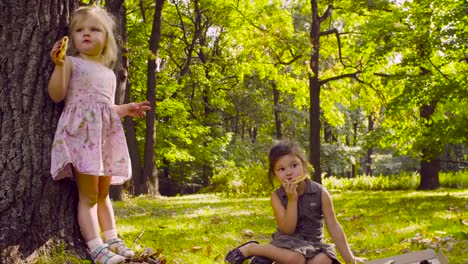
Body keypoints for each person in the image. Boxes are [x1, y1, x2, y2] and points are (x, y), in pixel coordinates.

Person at [48, 6, 151, 264]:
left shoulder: (108, 74)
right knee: (89, 195)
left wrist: (125, 109)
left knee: (104, 194)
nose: (86, 34)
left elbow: (105, 108)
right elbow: (57, 95)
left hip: (104, 138)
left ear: (106, 38)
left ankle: (113, 239)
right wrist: (59, 65)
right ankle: (96, 247)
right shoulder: (71, 63)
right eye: (80, 30)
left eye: (94, 29)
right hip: (82, 137)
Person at [225, 141, 366, 264]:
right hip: (287, 244)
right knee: (296, 259)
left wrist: (350, 259)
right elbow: (288, 230)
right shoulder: (276, 196)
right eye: (281, 169)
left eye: (294, 165)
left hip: (314, 244)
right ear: (275, 174)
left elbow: (334, 226)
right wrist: (292, 200)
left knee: (323, 261)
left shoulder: (320, 192)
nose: (289, 173)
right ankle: (253, 248)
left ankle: (270, 258)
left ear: (303, 165)